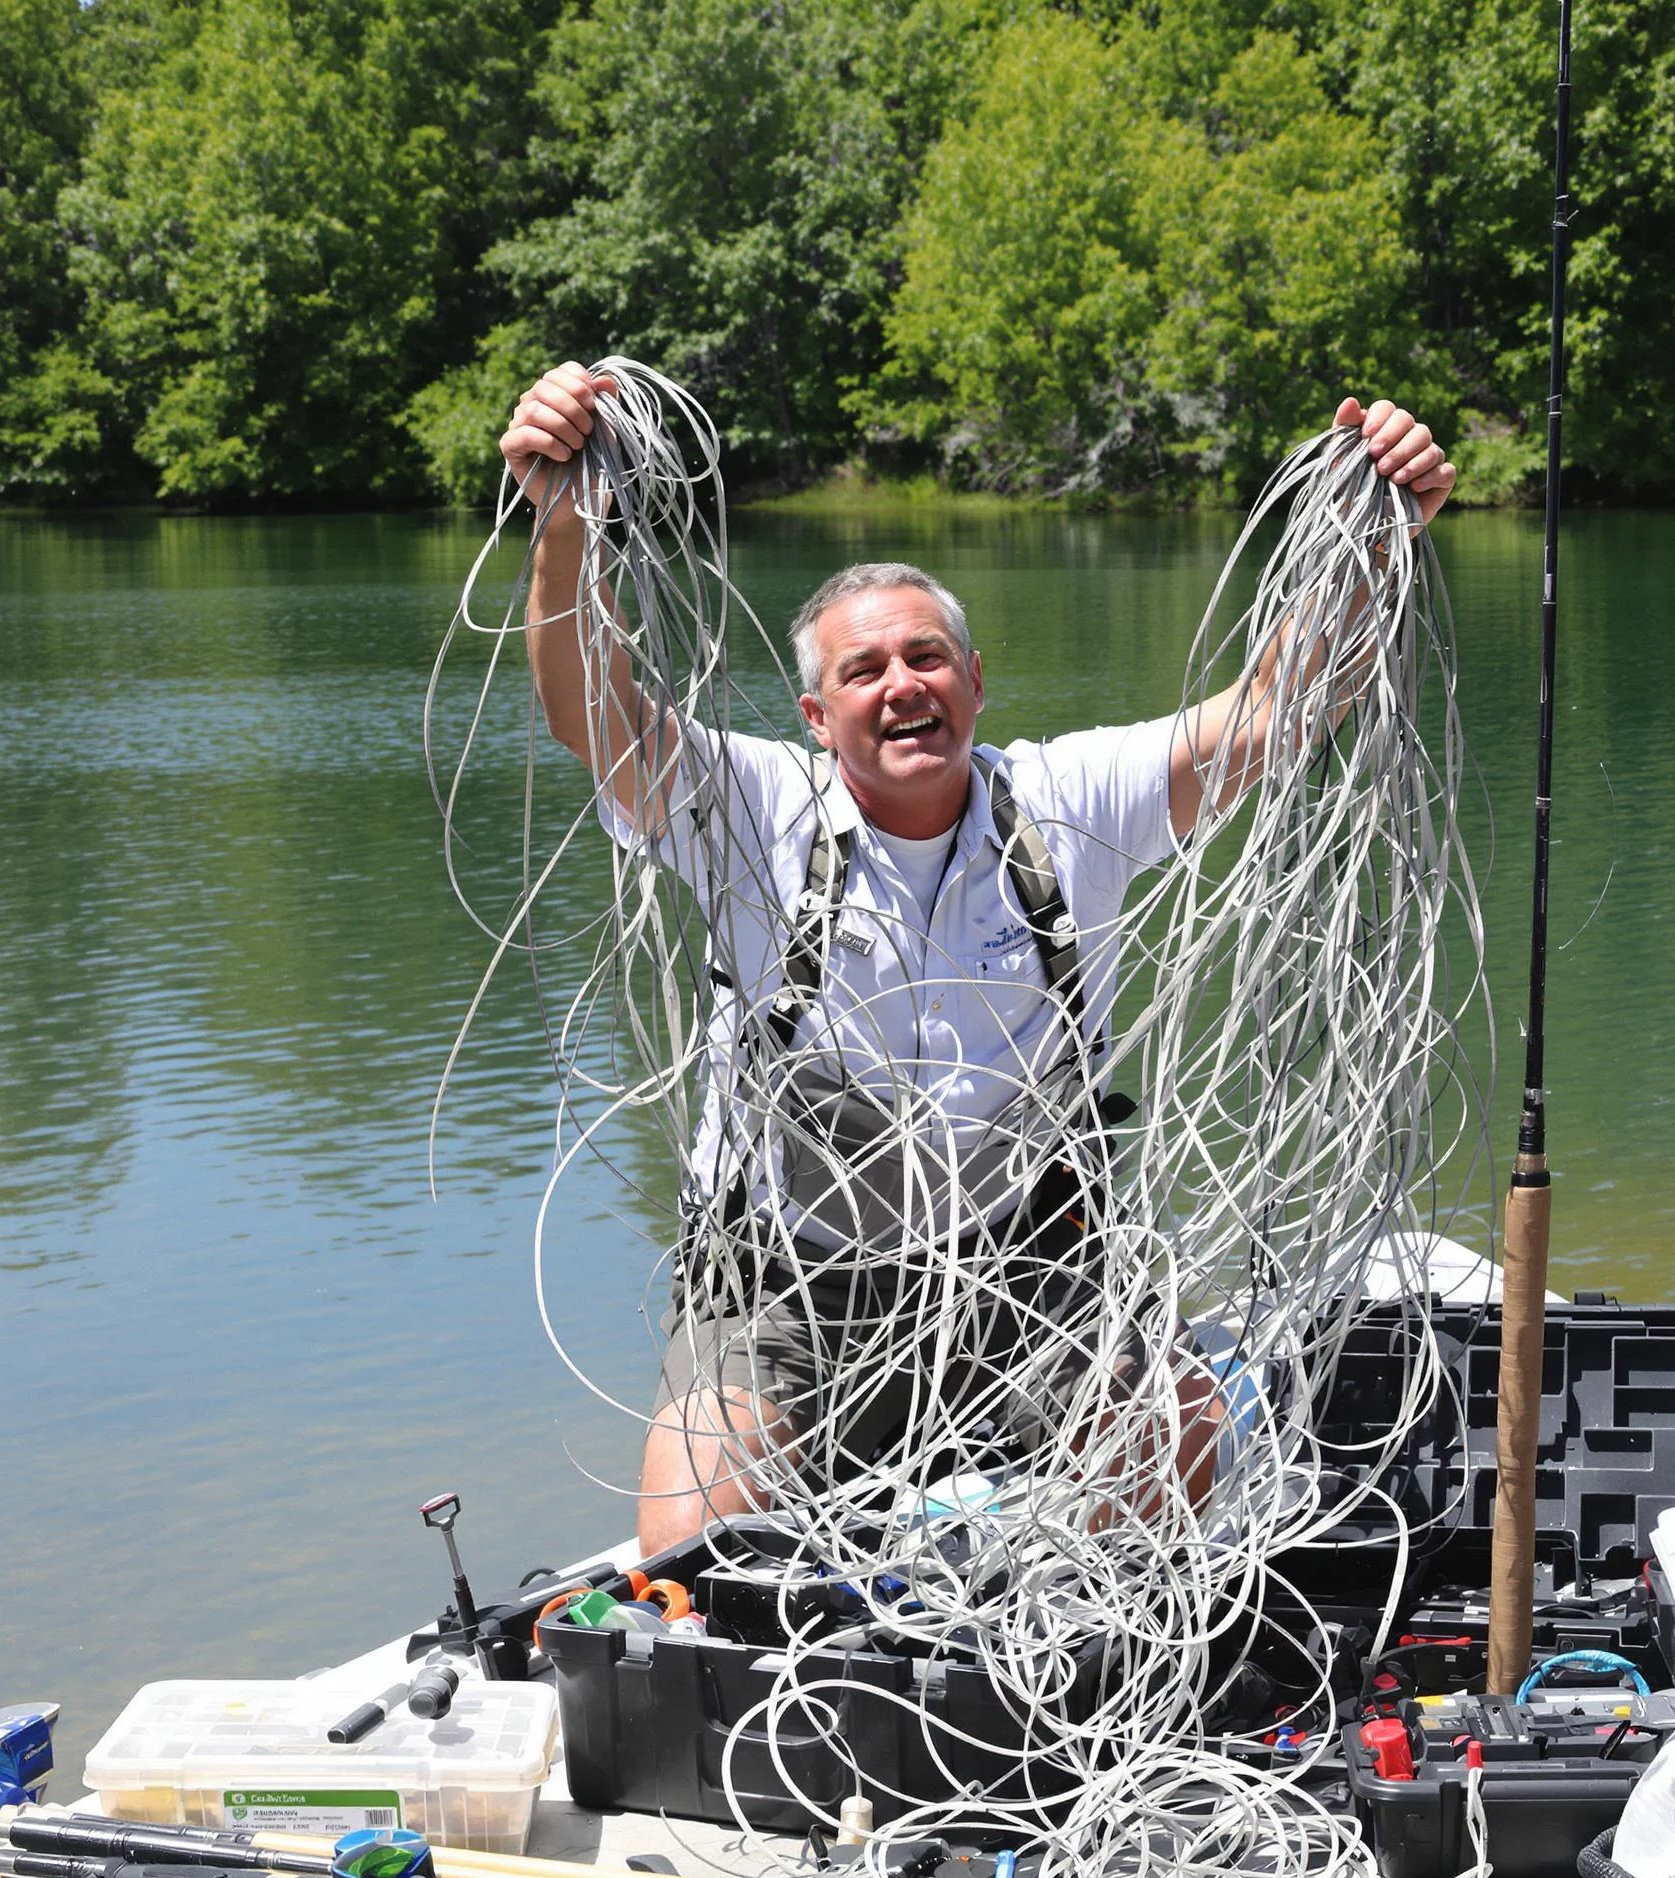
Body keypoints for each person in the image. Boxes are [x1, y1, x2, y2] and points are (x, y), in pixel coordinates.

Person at [501, 363, 1456, 1551]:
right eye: (863, 671)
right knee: (696, 1540)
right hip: (789, 1283)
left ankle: (1081, 1668)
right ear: (816, 717)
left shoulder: (1067, 800)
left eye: (926, 658)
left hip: (1031, 1266)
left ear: (974, 682)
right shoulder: (747, 804)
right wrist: (563, 520)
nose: (901, 686)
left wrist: (1374, 535)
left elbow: (1274, 711)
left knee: (1172, 1436)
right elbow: (587, 707)